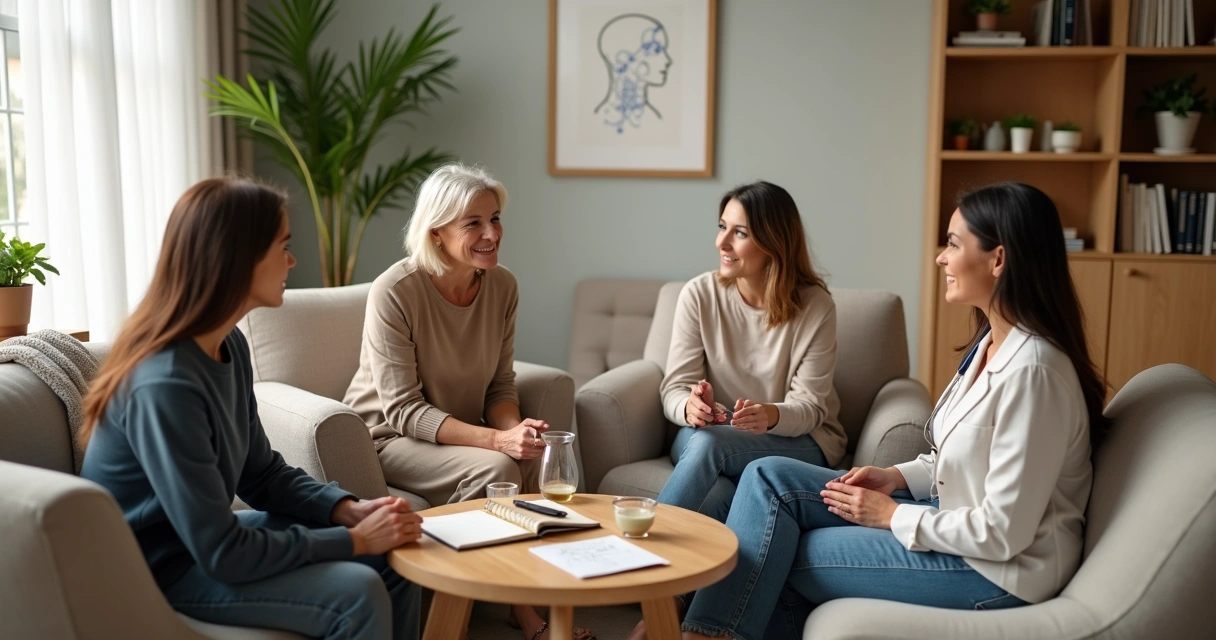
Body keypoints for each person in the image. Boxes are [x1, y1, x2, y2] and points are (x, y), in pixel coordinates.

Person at [648, 182, 1108, 640]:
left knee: (784, 550)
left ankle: (694, 633)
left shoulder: (1035, 373)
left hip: (997, 572)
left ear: (999, 259)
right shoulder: (991, 343)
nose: (940, 258)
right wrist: (897, 477)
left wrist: (891, 514)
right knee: (768, 477)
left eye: (952, 243)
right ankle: (684, 619)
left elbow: (1003, 533)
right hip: (951, 521)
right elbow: (960, 459)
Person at [79, 178, 422, 640]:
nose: (292, 261)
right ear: (236, 258)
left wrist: (345, 510)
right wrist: (355, 541)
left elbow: (260, 474)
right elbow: (221, 551)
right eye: (283, 246)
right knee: (358, 591)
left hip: (200, 545)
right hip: (154, 569)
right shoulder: (166, 385)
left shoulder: (229, 345)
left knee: (398, 556)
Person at [343, 162, 590, 640]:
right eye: (472, 223)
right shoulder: (395, 291)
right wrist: (498, 441)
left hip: (454, 432)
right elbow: (404, 411)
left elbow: (500, 386)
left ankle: (532, 590)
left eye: (494, 219)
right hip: (388, 436)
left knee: (538, 460)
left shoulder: (503, 286)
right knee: (497, 469)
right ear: (437, 233)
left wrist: (517, 432)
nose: (490, 233)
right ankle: (516, 612)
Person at [655, 181, 848, 524]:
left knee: (710, 446)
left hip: (801, 439)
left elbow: (811, 408)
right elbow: (674, 387)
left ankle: (642, 550)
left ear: (774, 242)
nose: (721, 243)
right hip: (708, 435)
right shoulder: (699, 294)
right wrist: (691, 406)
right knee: (717, 492)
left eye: (739, 233)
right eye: (722, 227)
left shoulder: (816, 308)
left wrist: (770, 415)